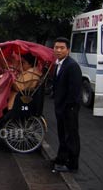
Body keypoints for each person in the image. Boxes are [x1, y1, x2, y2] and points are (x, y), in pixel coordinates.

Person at [52, 37, 81, 173]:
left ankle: (72, 164)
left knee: (71, 136)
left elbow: (74, 91)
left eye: (61, 48)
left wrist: (67, 107)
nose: (58, 50)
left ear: (67, 50)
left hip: (69, 108)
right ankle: (61, 158)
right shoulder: (58, 64)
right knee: (62, 134)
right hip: (60, 107)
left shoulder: (72, 66)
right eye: (56, 47)